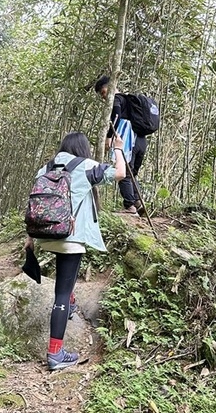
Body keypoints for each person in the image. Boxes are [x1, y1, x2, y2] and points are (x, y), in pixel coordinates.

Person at [25, 131, 126, 371]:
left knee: (65, 284)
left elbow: (35, 204)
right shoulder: (85, 166)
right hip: (70, 237)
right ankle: (55, 354)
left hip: (45, 235)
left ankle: (70, 303)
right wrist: (119, 149)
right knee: (61, 291)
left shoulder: (45, 168)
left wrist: (29, 237)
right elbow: (120, 173)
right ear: (82, 149)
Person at [94, 74, 145, 214]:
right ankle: (138, 203)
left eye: (104, 93)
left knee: (122, 170)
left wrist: (109, 137)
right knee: (131, 172)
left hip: (126, 138)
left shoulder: (117, 99)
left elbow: (116, 116)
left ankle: (130, 206)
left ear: (111, 88)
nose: (104, 97)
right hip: (139, 139)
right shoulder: (129, 100)